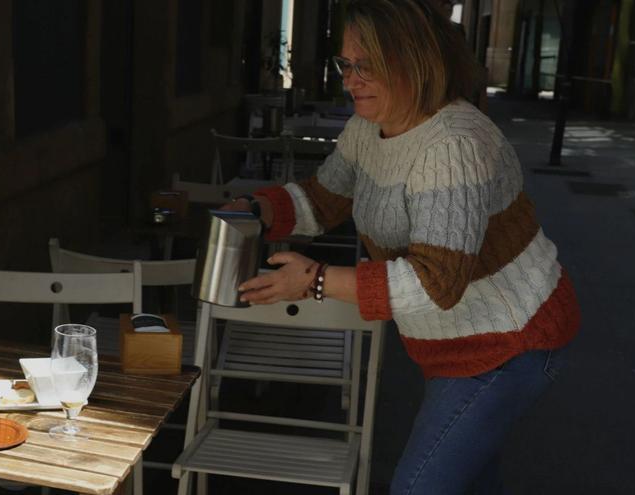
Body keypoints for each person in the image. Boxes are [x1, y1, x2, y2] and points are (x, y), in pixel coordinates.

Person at [223, 0, 580, 493]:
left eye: (366, 65)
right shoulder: (370, 127)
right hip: (452, 344)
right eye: (346, 65)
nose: (351, 80)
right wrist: (257, 210)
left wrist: (314, 281)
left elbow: (438, 283)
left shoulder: (453, 144)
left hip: (509, 344)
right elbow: (326, 199)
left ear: (412, 60)